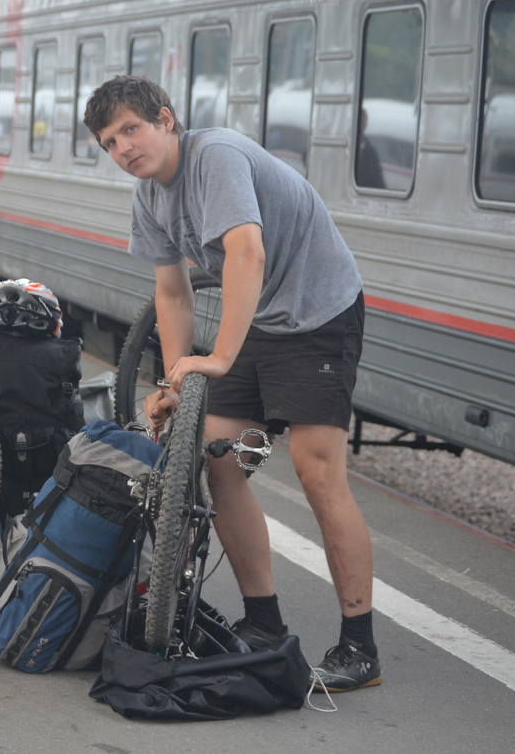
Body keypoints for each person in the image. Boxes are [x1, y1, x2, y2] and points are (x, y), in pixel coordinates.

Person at [83, 75, 380, 693]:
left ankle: (360, 643)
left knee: (316, 469)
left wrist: (216, 357)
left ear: (165, 120)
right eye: (110, 143)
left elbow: (247, 255)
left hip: (317, 312)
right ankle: (265, 621)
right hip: (262, 320)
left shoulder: (213, 155)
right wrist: (175, 380)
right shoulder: (149, 196)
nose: (124, 149)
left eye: (131, 130)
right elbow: (172, 290)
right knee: (219, 462)